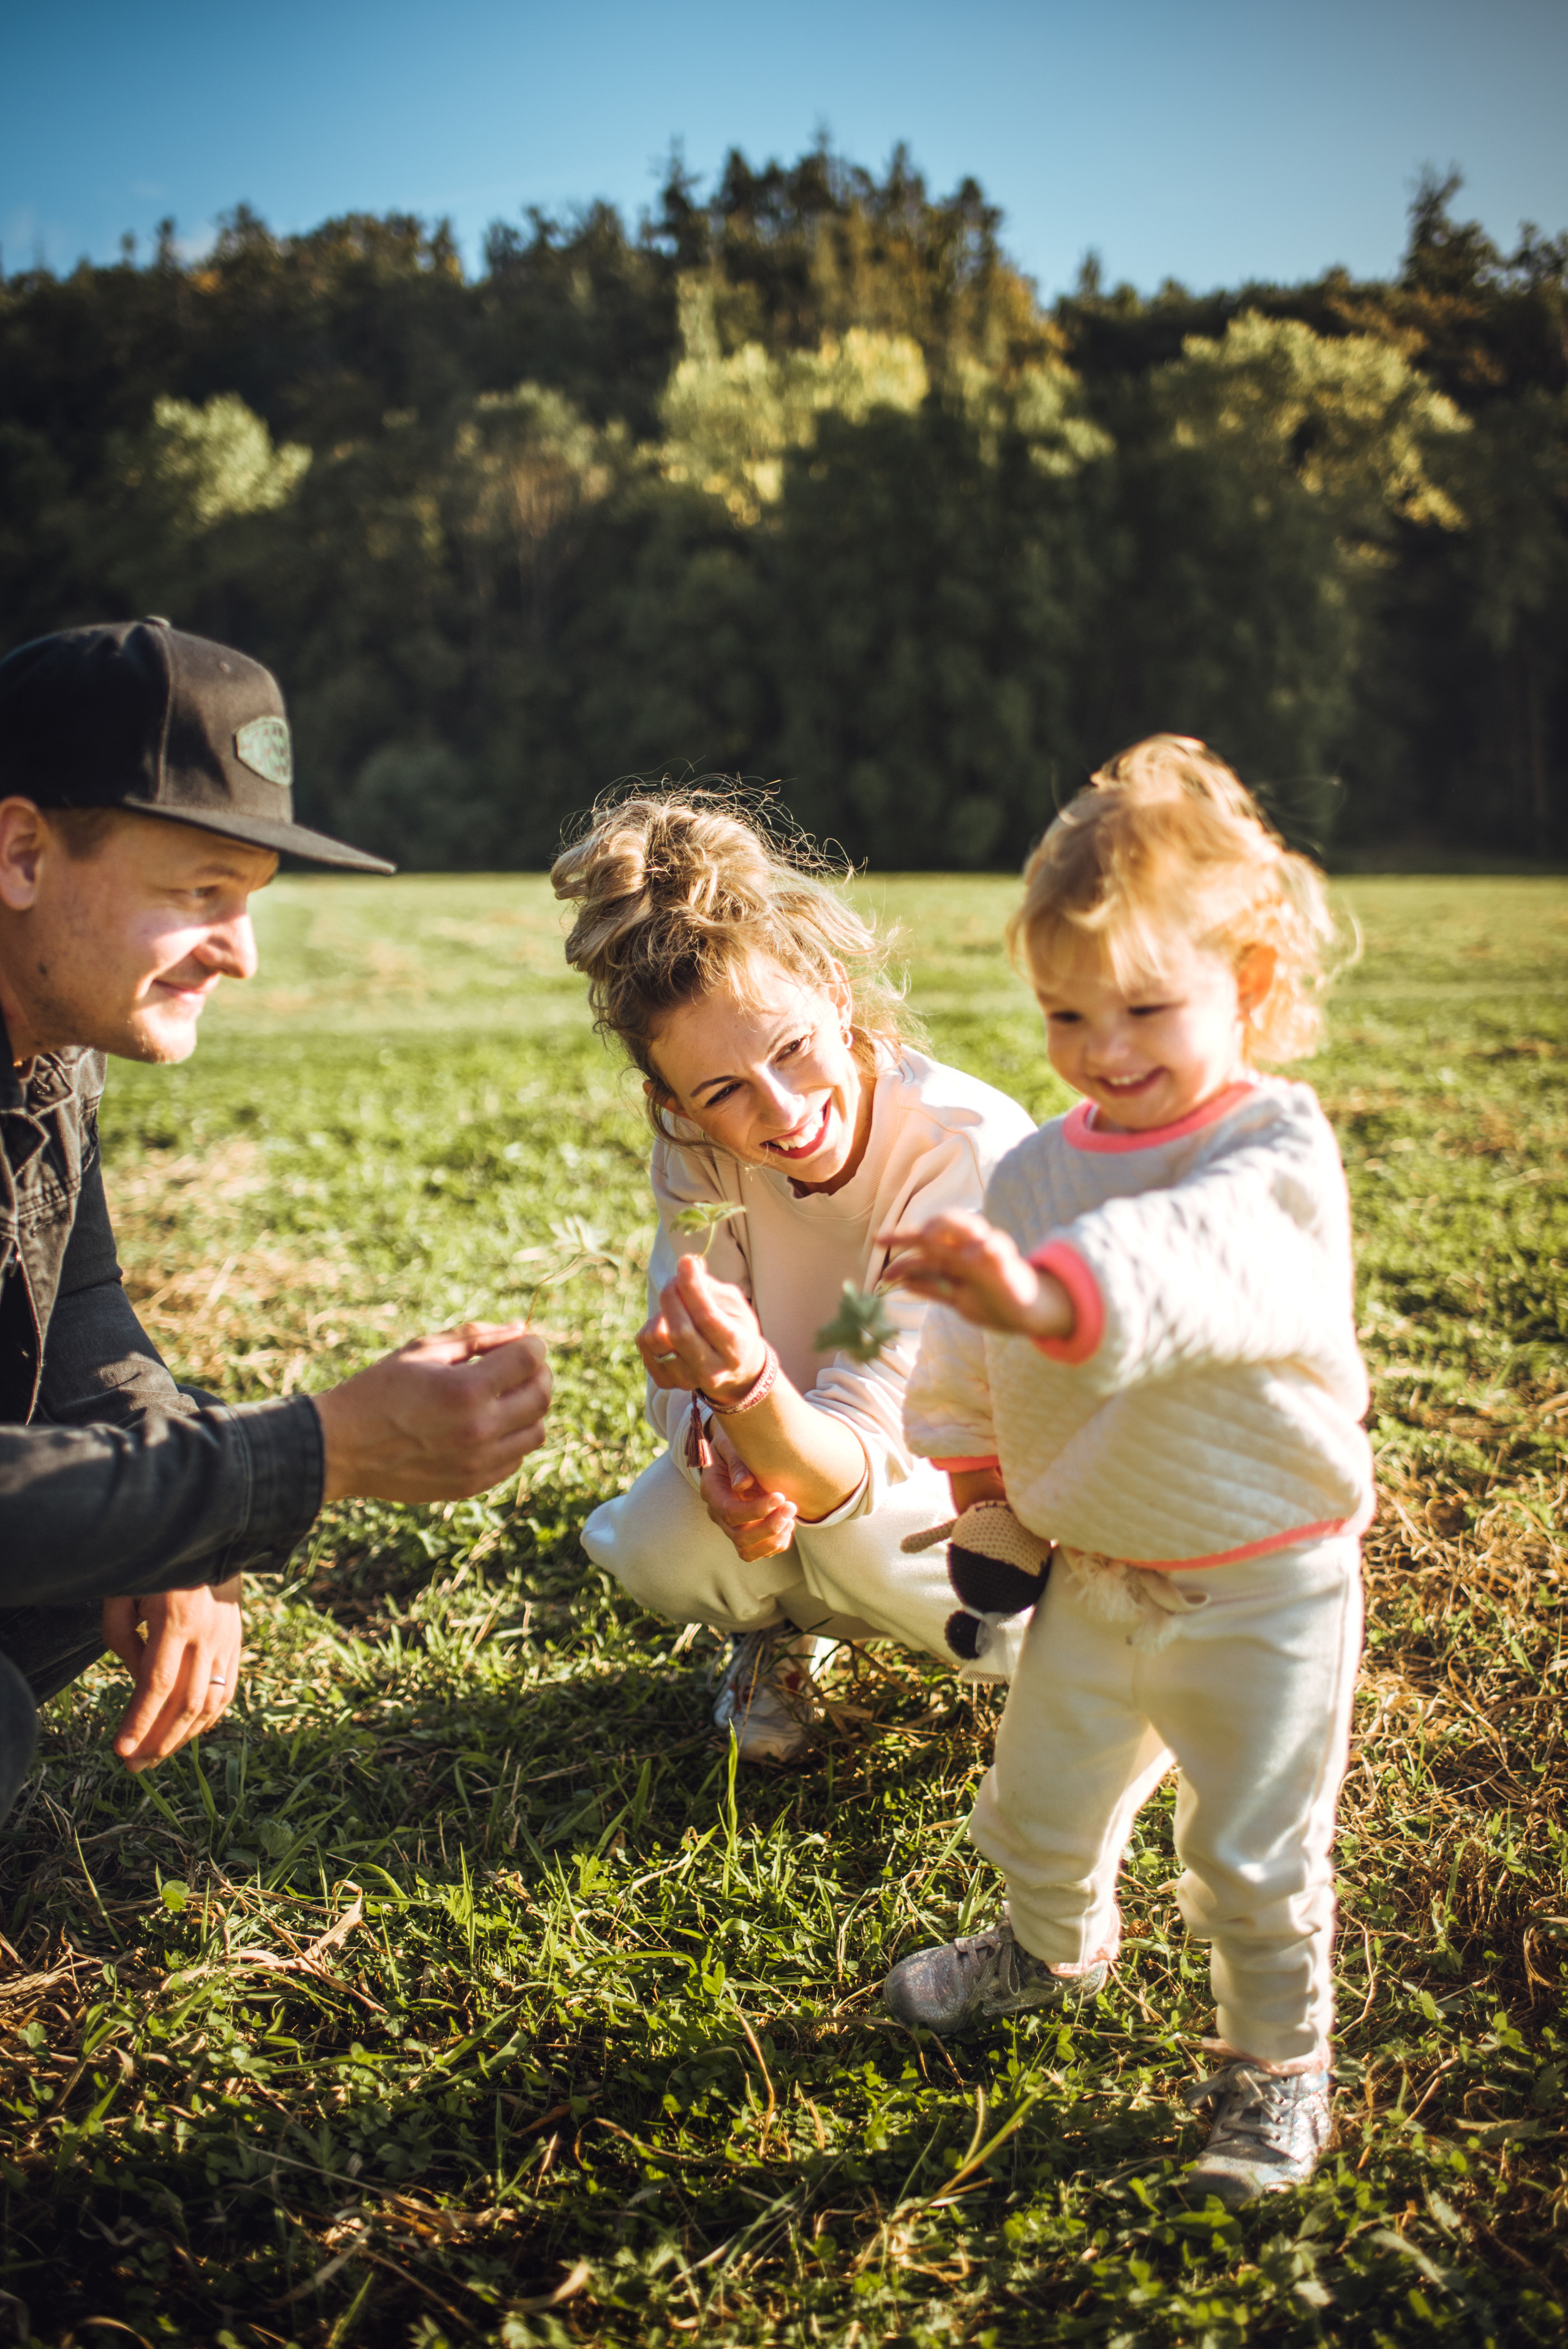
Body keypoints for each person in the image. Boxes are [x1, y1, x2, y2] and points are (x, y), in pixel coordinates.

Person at [879, 736, 1374, 2208]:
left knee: (1252, 1855)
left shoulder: (1272, 1150)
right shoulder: (1035, 1171)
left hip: (1260, 1583)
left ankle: (1272, 2065)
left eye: (1146, 1008)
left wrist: (1044, 1293)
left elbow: (1186, 1263)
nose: (1103, 1048)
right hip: (1093, 1572)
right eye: (1064, 1013)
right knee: (1036, 1801)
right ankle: (1047, 1949)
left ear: (1251, 982)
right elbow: (969, 1363)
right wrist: (982, 1491)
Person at [0, 617, 552, 1825]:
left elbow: (82, 1303)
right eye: (199, 892)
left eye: (248, 899)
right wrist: (293, 1462)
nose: (240, 955)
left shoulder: (52, 1043)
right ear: (23, 853)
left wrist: (190, 1531)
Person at [550, 792, 1037, 1761]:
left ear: (835, 993)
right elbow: (679, 1374)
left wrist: (743, 1396)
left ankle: (1078, 1658)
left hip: (989, 1491)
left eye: (792, 1046)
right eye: (723, 1091)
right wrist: (713, 1450)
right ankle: (781, 1632)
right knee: (660, 1541)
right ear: (673, 1103)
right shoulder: (695, 1150)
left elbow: (876, 1431)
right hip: (805, 1449)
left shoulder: (962, 1151)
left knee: (855, 1535)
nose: (781, 1112)